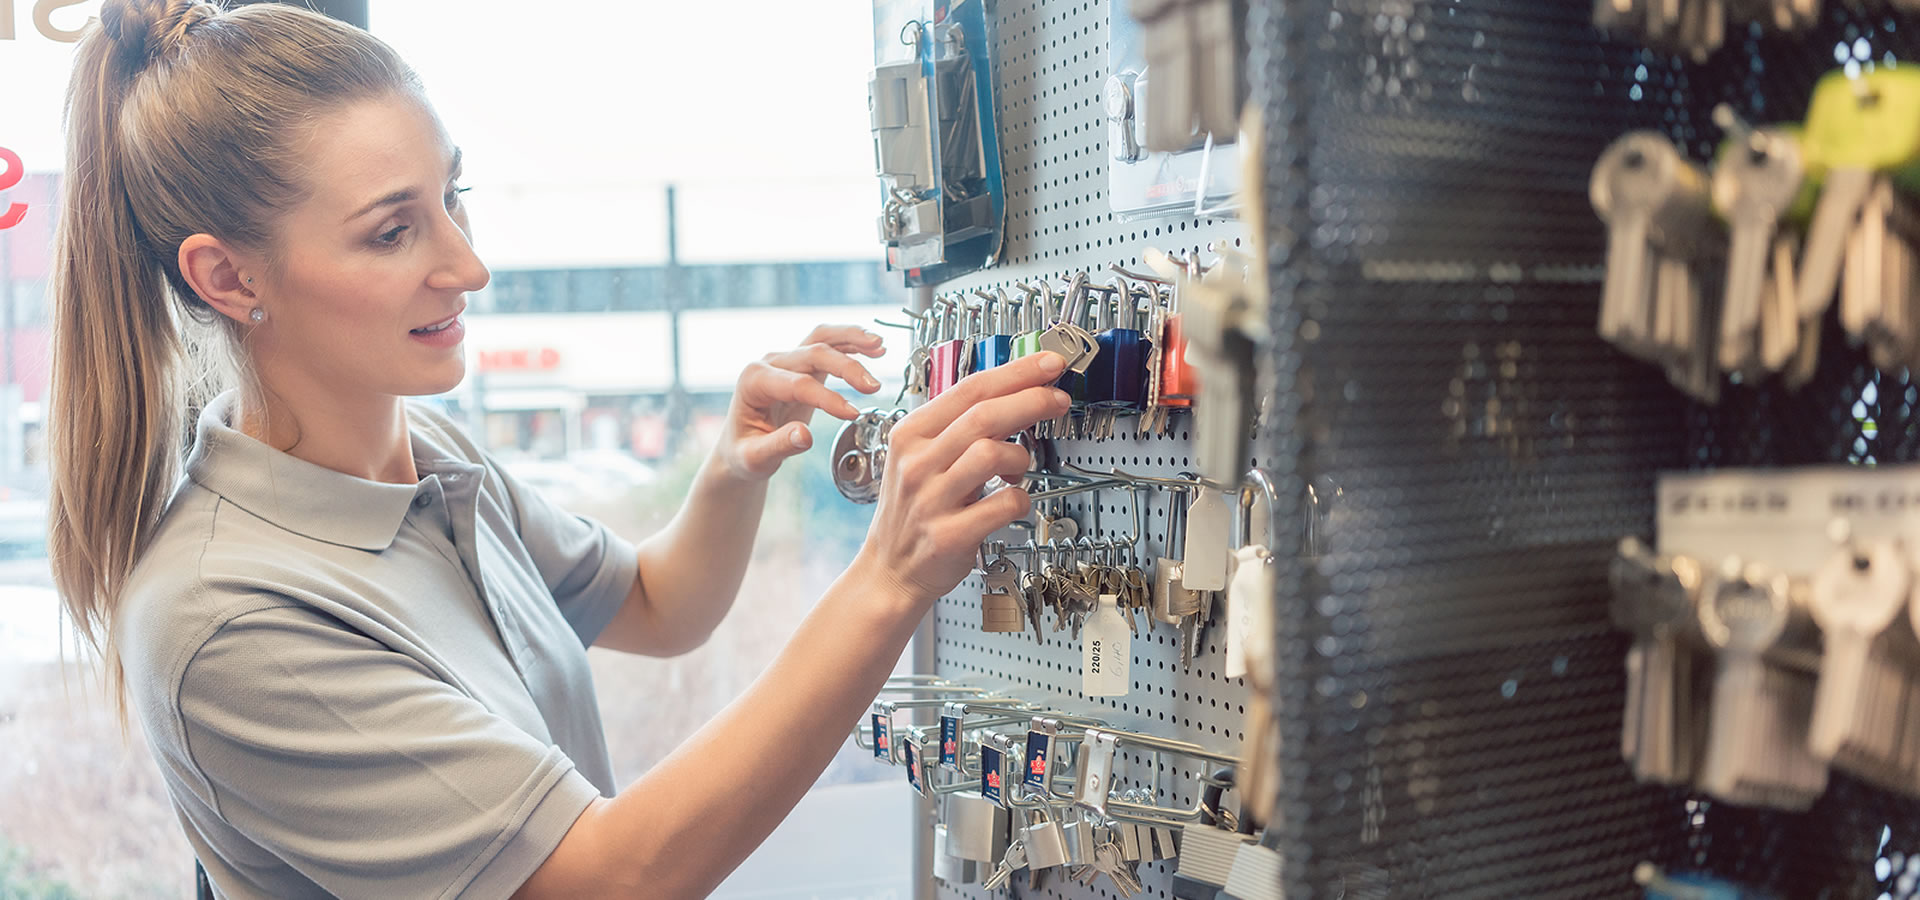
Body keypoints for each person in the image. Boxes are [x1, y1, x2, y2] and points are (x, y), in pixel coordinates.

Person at [46, 1, 1072, 897]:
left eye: (453, 199)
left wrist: (731, 465)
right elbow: (609, 880)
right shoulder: (227, 620)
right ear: (228, 279)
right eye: (391, 232)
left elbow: (659, 607)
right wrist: (888, 580)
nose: (469, 264)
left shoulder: (433, 458)